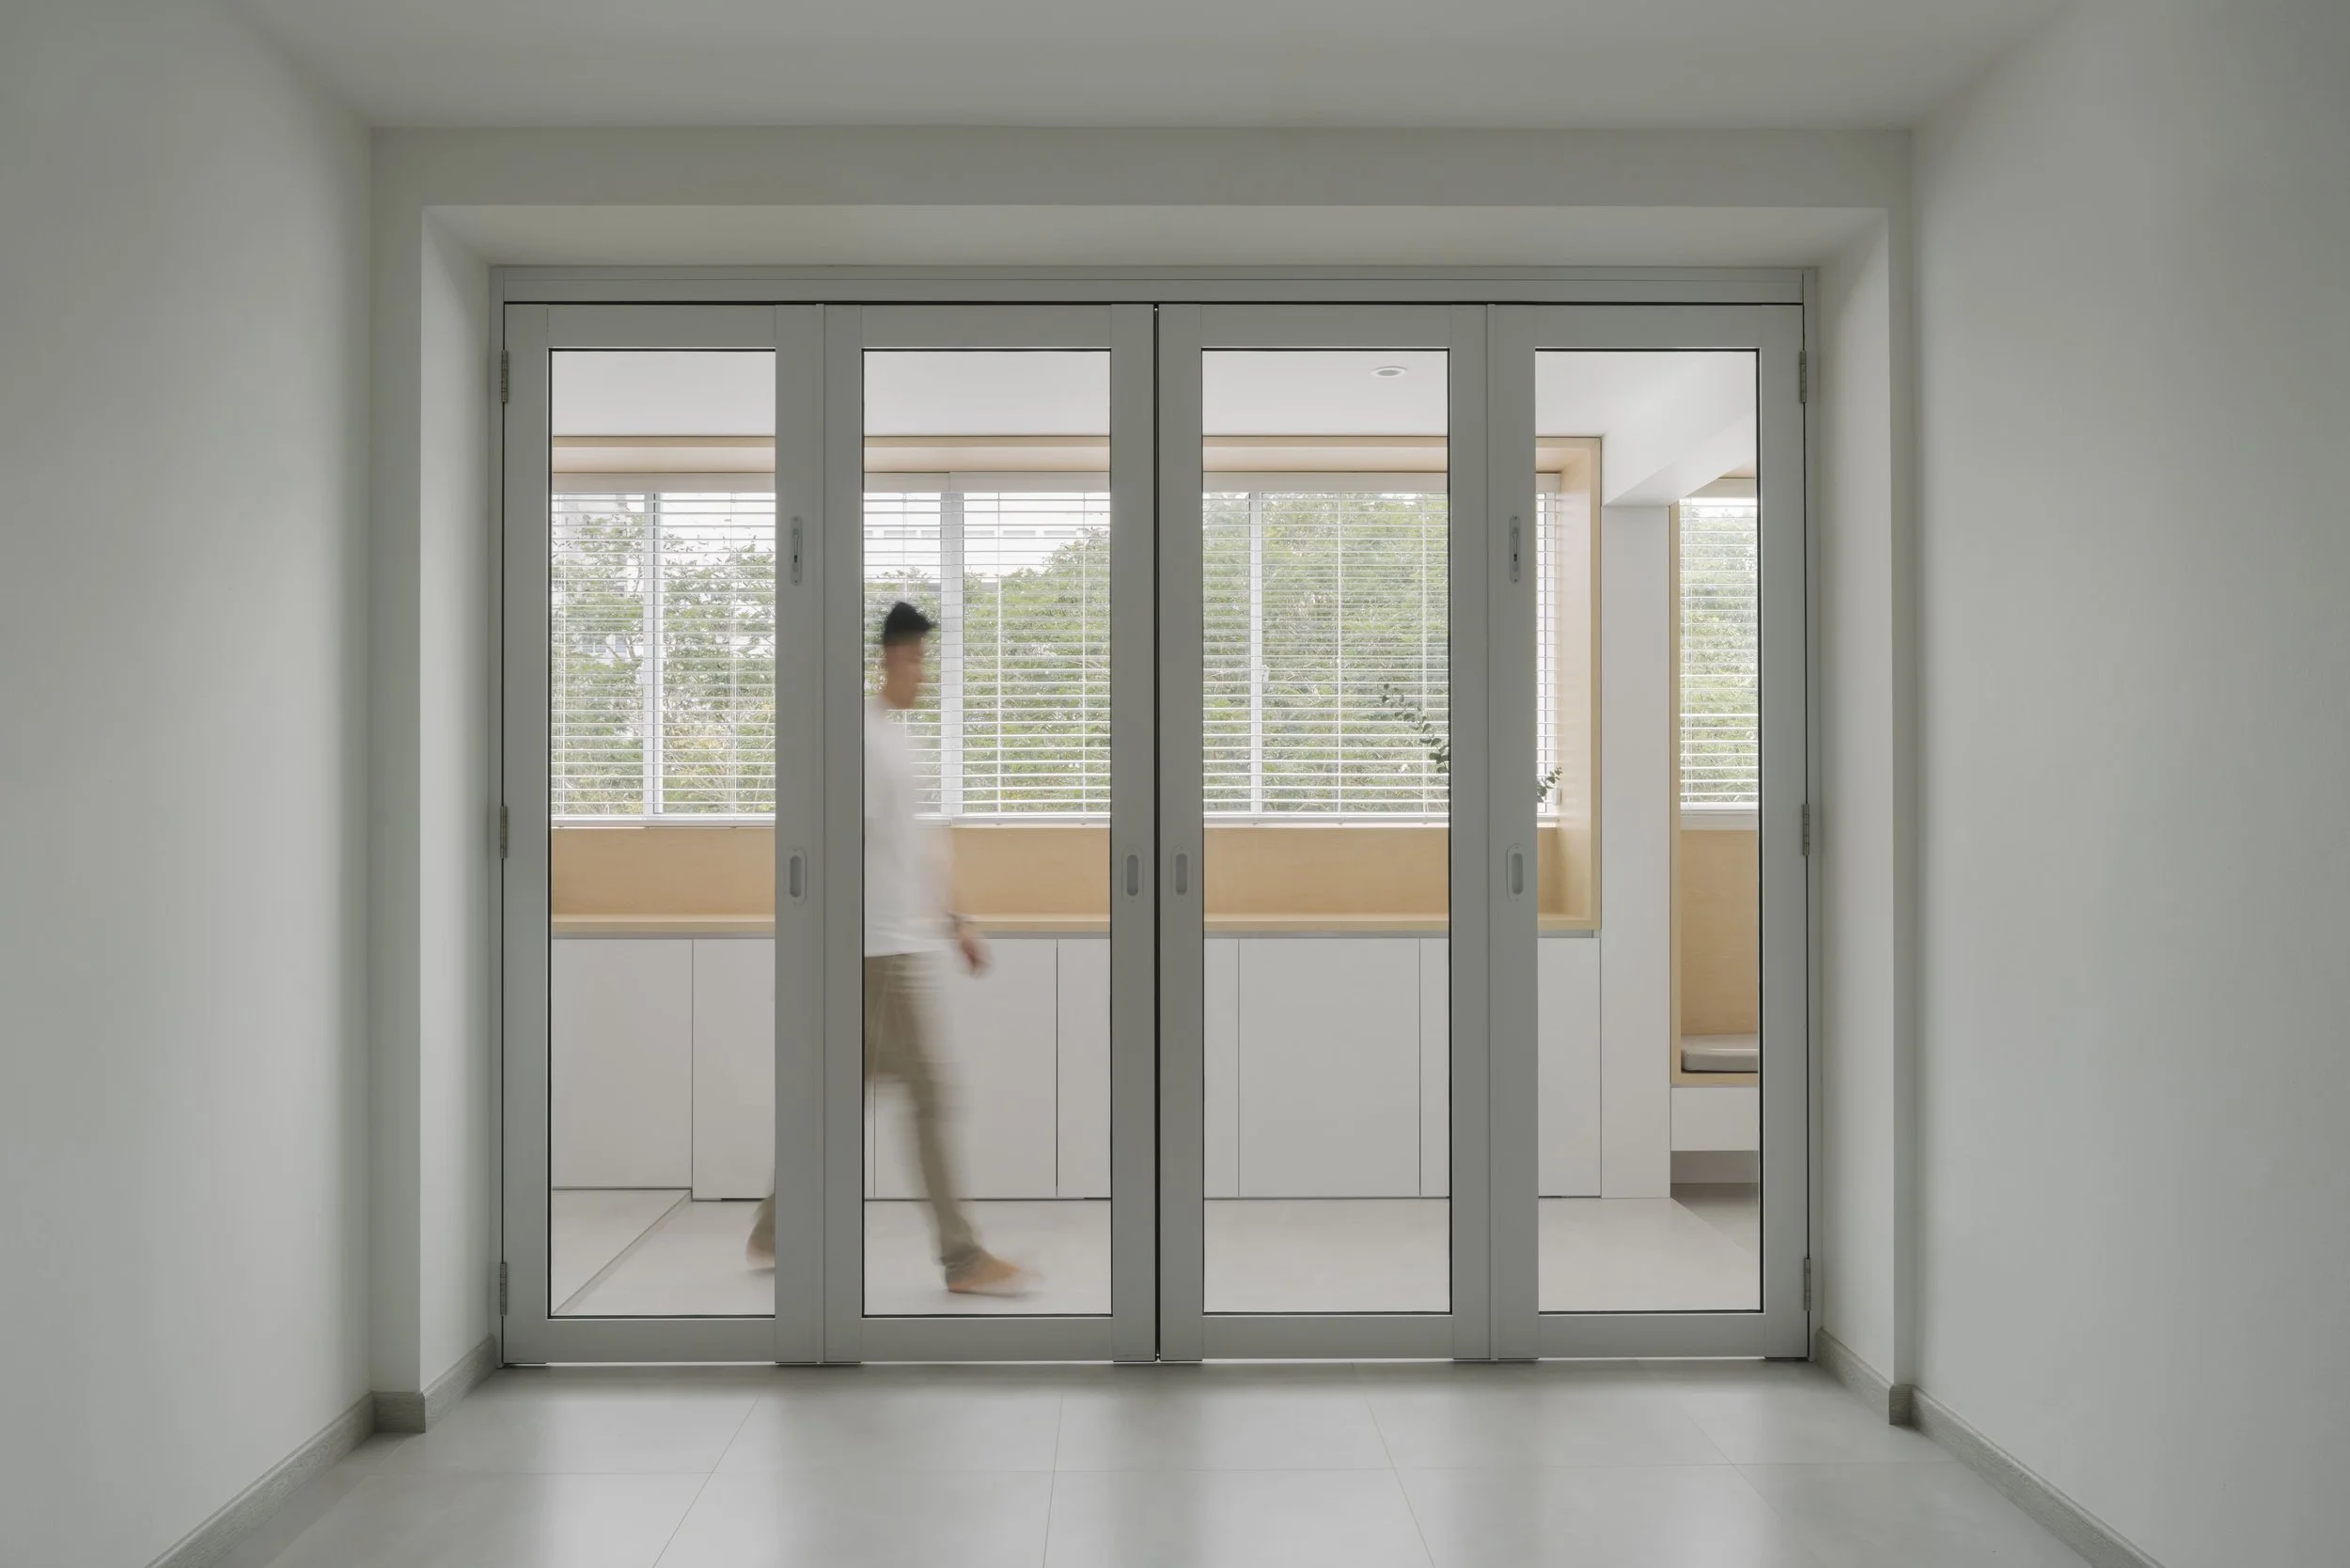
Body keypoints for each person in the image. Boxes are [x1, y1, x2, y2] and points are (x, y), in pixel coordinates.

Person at [746, 601, 1028, 1296]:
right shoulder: (863, 739)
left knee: (843, 1096)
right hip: (877, 949)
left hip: (894, 942)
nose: (923, 672)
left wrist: (956, 916)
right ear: (891, 659)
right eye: (916, 659)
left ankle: (775, 1227)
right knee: (930, 1092)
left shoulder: (897, 737)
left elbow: (918, 843)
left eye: (926, 660)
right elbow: (840, 846)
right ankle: (962, 1257)